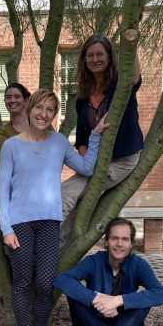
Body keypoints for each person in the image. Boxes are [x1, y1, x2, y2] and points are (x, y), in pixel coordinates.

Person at [0, 89, 108, 326]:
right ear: (30, 108)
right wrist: (6, 228)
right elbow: (1, 189)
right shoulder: (11, 145)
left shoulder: (59, 142)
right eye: (40, 108)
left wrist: (94, 137)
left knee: (46, 282)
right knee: (22, 282)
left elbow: (85, 167)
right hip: (19, 222)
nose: (44, 114)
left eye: (50, 110)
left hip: (49, 221)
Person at [60, 31, 144, 247]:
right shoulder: (82, 96)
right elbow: (81, 139)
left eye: (100, 54)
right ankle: (57, 245)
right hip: (96, 161)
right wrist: (87, 164)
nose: (95, 59)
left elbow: (134, 78)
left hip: (123, 159)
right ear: (83, 60)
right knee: (73, 194)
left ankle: (51, 241)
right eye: (90, 55)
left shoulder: (119, 84)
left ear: (109, 57)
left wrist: (132, 36)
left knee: (72, 193)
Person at [0, 83, 31, 152]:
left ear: (26, 101)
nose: (12, 100)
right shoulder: (3, 132)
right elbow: (7, 159)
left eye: (17, 96)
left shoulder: (40, 125)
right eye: (8, 97)